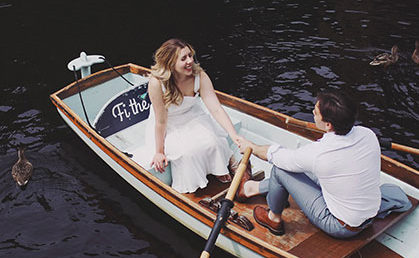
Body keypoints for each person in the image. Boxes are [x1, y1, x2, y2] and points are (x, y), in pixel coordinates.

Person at [239, 91, 380, 237]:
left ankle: (273, 219)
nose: (312, 111)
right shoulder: (368, 134)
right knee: (303, 168)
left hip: (340, 226)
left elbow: (276, 157)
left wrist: (251, 146)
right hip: (369, 216)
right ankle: (253, 188)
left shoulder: (320, 154)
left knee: (280, 170)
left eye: (316, 112)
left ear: (328, 125)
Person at [136, 38, 248, 194]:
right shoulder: (157, 83)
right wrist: (159, 151)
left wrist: (233, 134)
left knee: (212, 142)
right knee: (187, 153)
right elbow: (161, 121)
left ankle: (221, 166)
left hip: (192, 116)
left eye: (190, 55)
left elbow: (215, 108)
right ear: (170, 63)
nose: (190, 61)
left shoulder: (199, 75)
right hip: (168, 124)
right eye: (183, 58)